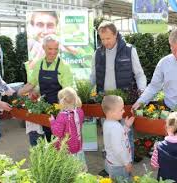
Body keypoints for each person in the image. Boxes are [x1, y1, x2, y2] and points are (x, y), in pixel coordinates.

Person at [90, 21, 147, 175]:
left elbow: (140, 74)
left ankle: (127, 167)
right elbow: (93, 76)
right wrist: (87, 93)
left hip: (124, 102)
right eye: (102, 39)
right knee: (109, 137)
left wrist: (141, 95)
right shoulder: (97, 53)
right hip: (106, 102)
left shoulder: (129, 50)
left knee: (125, 134)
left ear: (115, 34)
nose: (105, 42)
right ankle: (109, 167)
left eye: (108, 38)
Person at [18, 34, 74, 142]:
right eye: (50, 49)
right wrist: (19, 93)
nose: (53, 52)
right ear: (43, 47)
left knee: (60, 138)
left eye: (56, 49)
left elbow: (67, 91)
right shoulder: (39, 64)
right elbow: (31, 83)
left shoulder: (64, 66)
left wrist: (64, 109)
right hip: (44, 106)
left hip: (59, 107)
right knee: (48, 135)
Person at [50, 87, 87, 170]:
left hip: (66, 148)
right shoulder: (79, 111)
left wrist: (52, 121)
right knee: (79, 168)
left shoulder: (62, 116)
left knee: (68, 170)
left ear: (62, 101)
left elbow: (57, 133)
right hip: (78, 145)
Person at [101, 95, 135, 181]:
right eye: (121, 109)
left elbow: (119, 136)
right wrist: (126, 163)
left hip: (113, 162)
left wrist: (126, 126)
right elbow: (118, 149)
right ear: (111, 112)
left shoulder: (108, 123)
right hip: (120, 165)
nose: (124, 111)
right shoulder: (115, 127)